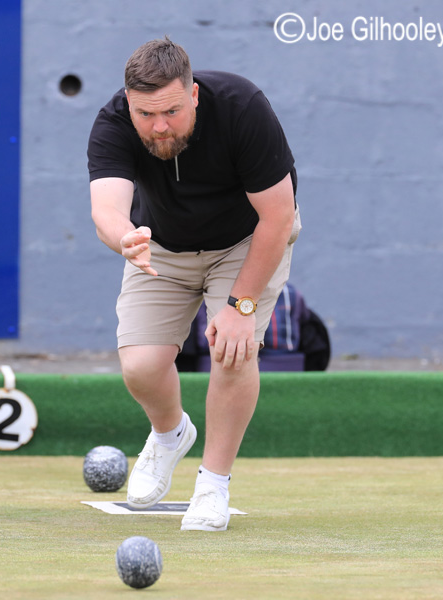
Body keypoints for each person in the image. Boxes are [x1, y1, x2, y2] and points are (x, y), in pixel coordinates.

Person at [88, 38, 300, 531]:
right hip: (158, 244)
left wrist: (241, 305)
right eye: (146, 114)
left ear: (194, 95)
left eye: (171, 111)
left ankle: (213, 484)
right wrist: (127, 239)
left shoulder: (243, 107)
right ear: (129, 102)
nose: (158, 126)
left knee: (232, 348)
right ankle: (169, 435)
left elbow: (278, 215)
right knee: (140, 367)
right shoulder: (115, 120)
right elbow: (105, 208)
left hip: (245, 240)